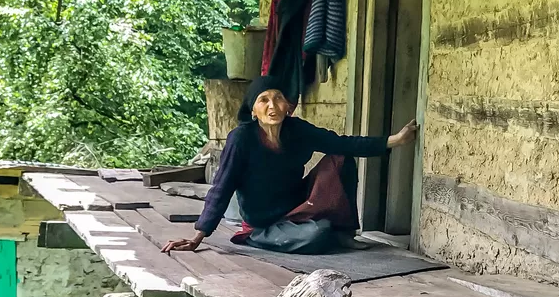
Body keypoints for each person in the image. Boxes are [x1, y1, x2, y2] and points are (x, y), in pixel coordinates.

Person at [162, 75, 417, 255]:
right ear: (253, 110)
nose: (272, 106)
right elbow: (222, 186)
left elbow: (343, 143)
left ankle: (343, 233)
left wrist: (395, 140)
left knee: (341, 158)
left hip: (297, 206)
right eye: (263, 100)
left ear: (288, 106)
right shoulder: (241, 139)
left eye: (278, 98)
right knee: (316, 235)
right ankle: (260, 238)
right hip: (264, 221)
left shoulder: (297, 130)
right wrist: (199, 236)